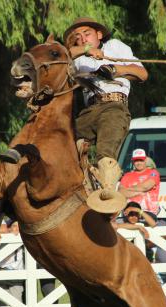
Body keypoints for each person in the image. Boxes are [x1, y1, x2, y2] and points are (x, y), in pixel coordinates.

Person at [27, 17, 147, 214]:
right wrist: (86, 50)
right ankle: (70, 186)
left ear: (99, 34)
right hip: (87, 111)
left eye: (87, 33)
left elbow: (142, 74)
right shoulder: (77, 59)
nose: (82, 38)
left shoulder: (115, 46)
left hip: (114, 105)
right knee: (67, 147)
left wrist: (115, 70)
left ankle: (107, 199)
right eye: (77, 36)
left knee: (105, 154)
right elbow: (56, 56)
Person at [119, 149, 161, 215]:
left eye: (141, 160)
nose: (138, 163)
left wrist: (128, 189)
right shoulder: (127, 175)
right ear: (132, 162)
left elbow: (146, 187)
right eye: (136, 161)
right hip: (130, 213)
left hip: (149, 213)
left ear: (145, 161)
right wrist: (138, 192)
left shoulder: (153, 172)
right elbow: (121, 192)